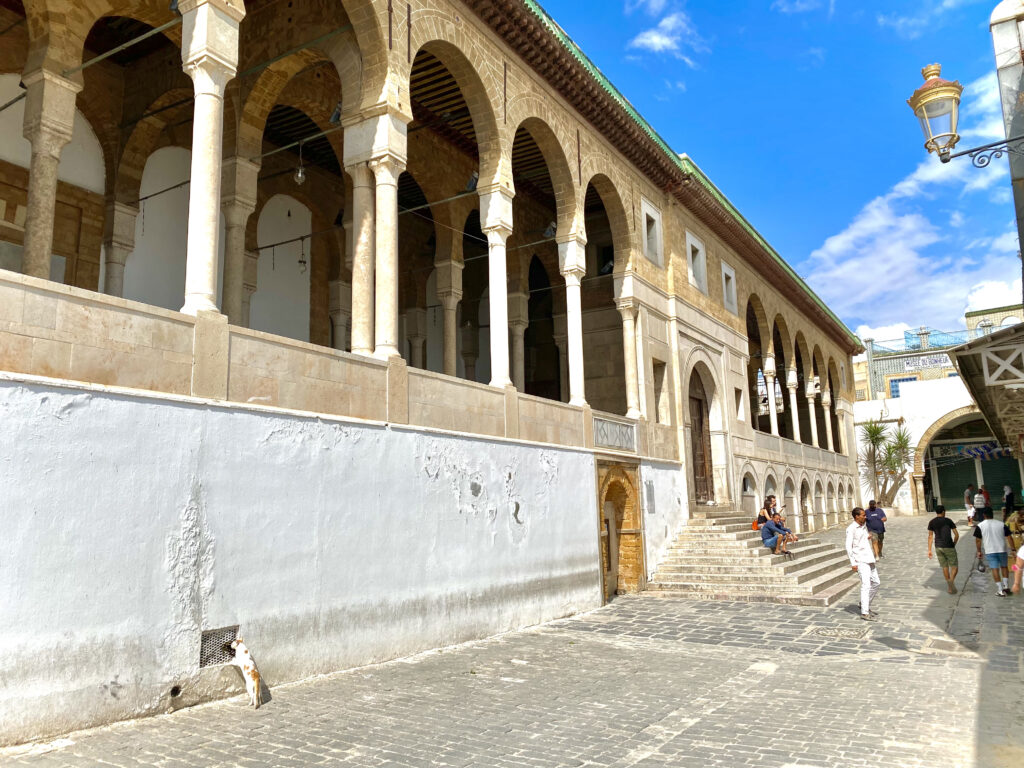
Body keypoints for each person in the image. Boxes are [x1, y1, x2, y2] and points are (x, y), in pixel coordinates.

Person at [846, 507, 880, 620]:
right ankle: (865, 612)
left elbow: (862, 539)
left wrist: (868, 536)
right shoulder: (851, 529)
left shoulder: (863, 526)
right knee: (866, 585)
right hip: (860, 559)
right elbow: (848, 546)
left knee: (876, 582)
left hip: (869, 558)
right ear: (857, 516)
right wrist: (853, 563)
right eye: (863, 515)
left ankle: (864, 603)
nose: (865, 517)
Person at [974, 508, 1015, 596]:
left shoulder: (980, 525)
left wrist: (979, 551)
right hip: (1002, 550)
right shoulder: (1001, 524)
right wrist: (1013, 549)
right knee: (1004, 567)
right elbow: (1009, 537)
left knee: (994, 569)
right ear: (992, 514)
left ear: (984, 515)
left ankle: (1000, 590)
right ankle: (1006, 586)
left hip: (990, 551)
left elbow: (978, 540)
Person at [926, 505, 959, 594]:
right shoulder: (948, 521)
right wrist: (954, 543)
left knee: (945, 566)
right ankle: (951, 582)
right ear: (943, 511)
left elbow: (930, 536)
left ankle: (949, 587)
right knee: (954, 566)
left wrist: (929, 550)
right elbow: (956, 535)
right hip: (949, 546)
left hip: (938, 547)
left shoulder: (932, 522)